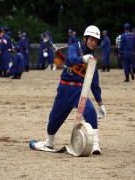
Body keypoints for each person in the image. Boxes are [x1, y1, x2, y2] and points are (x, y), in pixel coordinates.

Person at [32, 25, 107, 155]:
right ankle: (49, 142)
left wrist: (101, 104)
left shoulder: (92, 58)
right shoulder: (74, 47)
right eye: (91, 39)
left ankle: (95, 143)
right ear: (85, 38)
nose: (93, 43)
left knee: (90, 111)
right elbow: (71, 60)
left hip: (79, 90)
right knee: (54, 117)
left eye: (96, 41)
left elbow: (94, 84)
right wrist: (83, 59)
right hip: (64, 89)